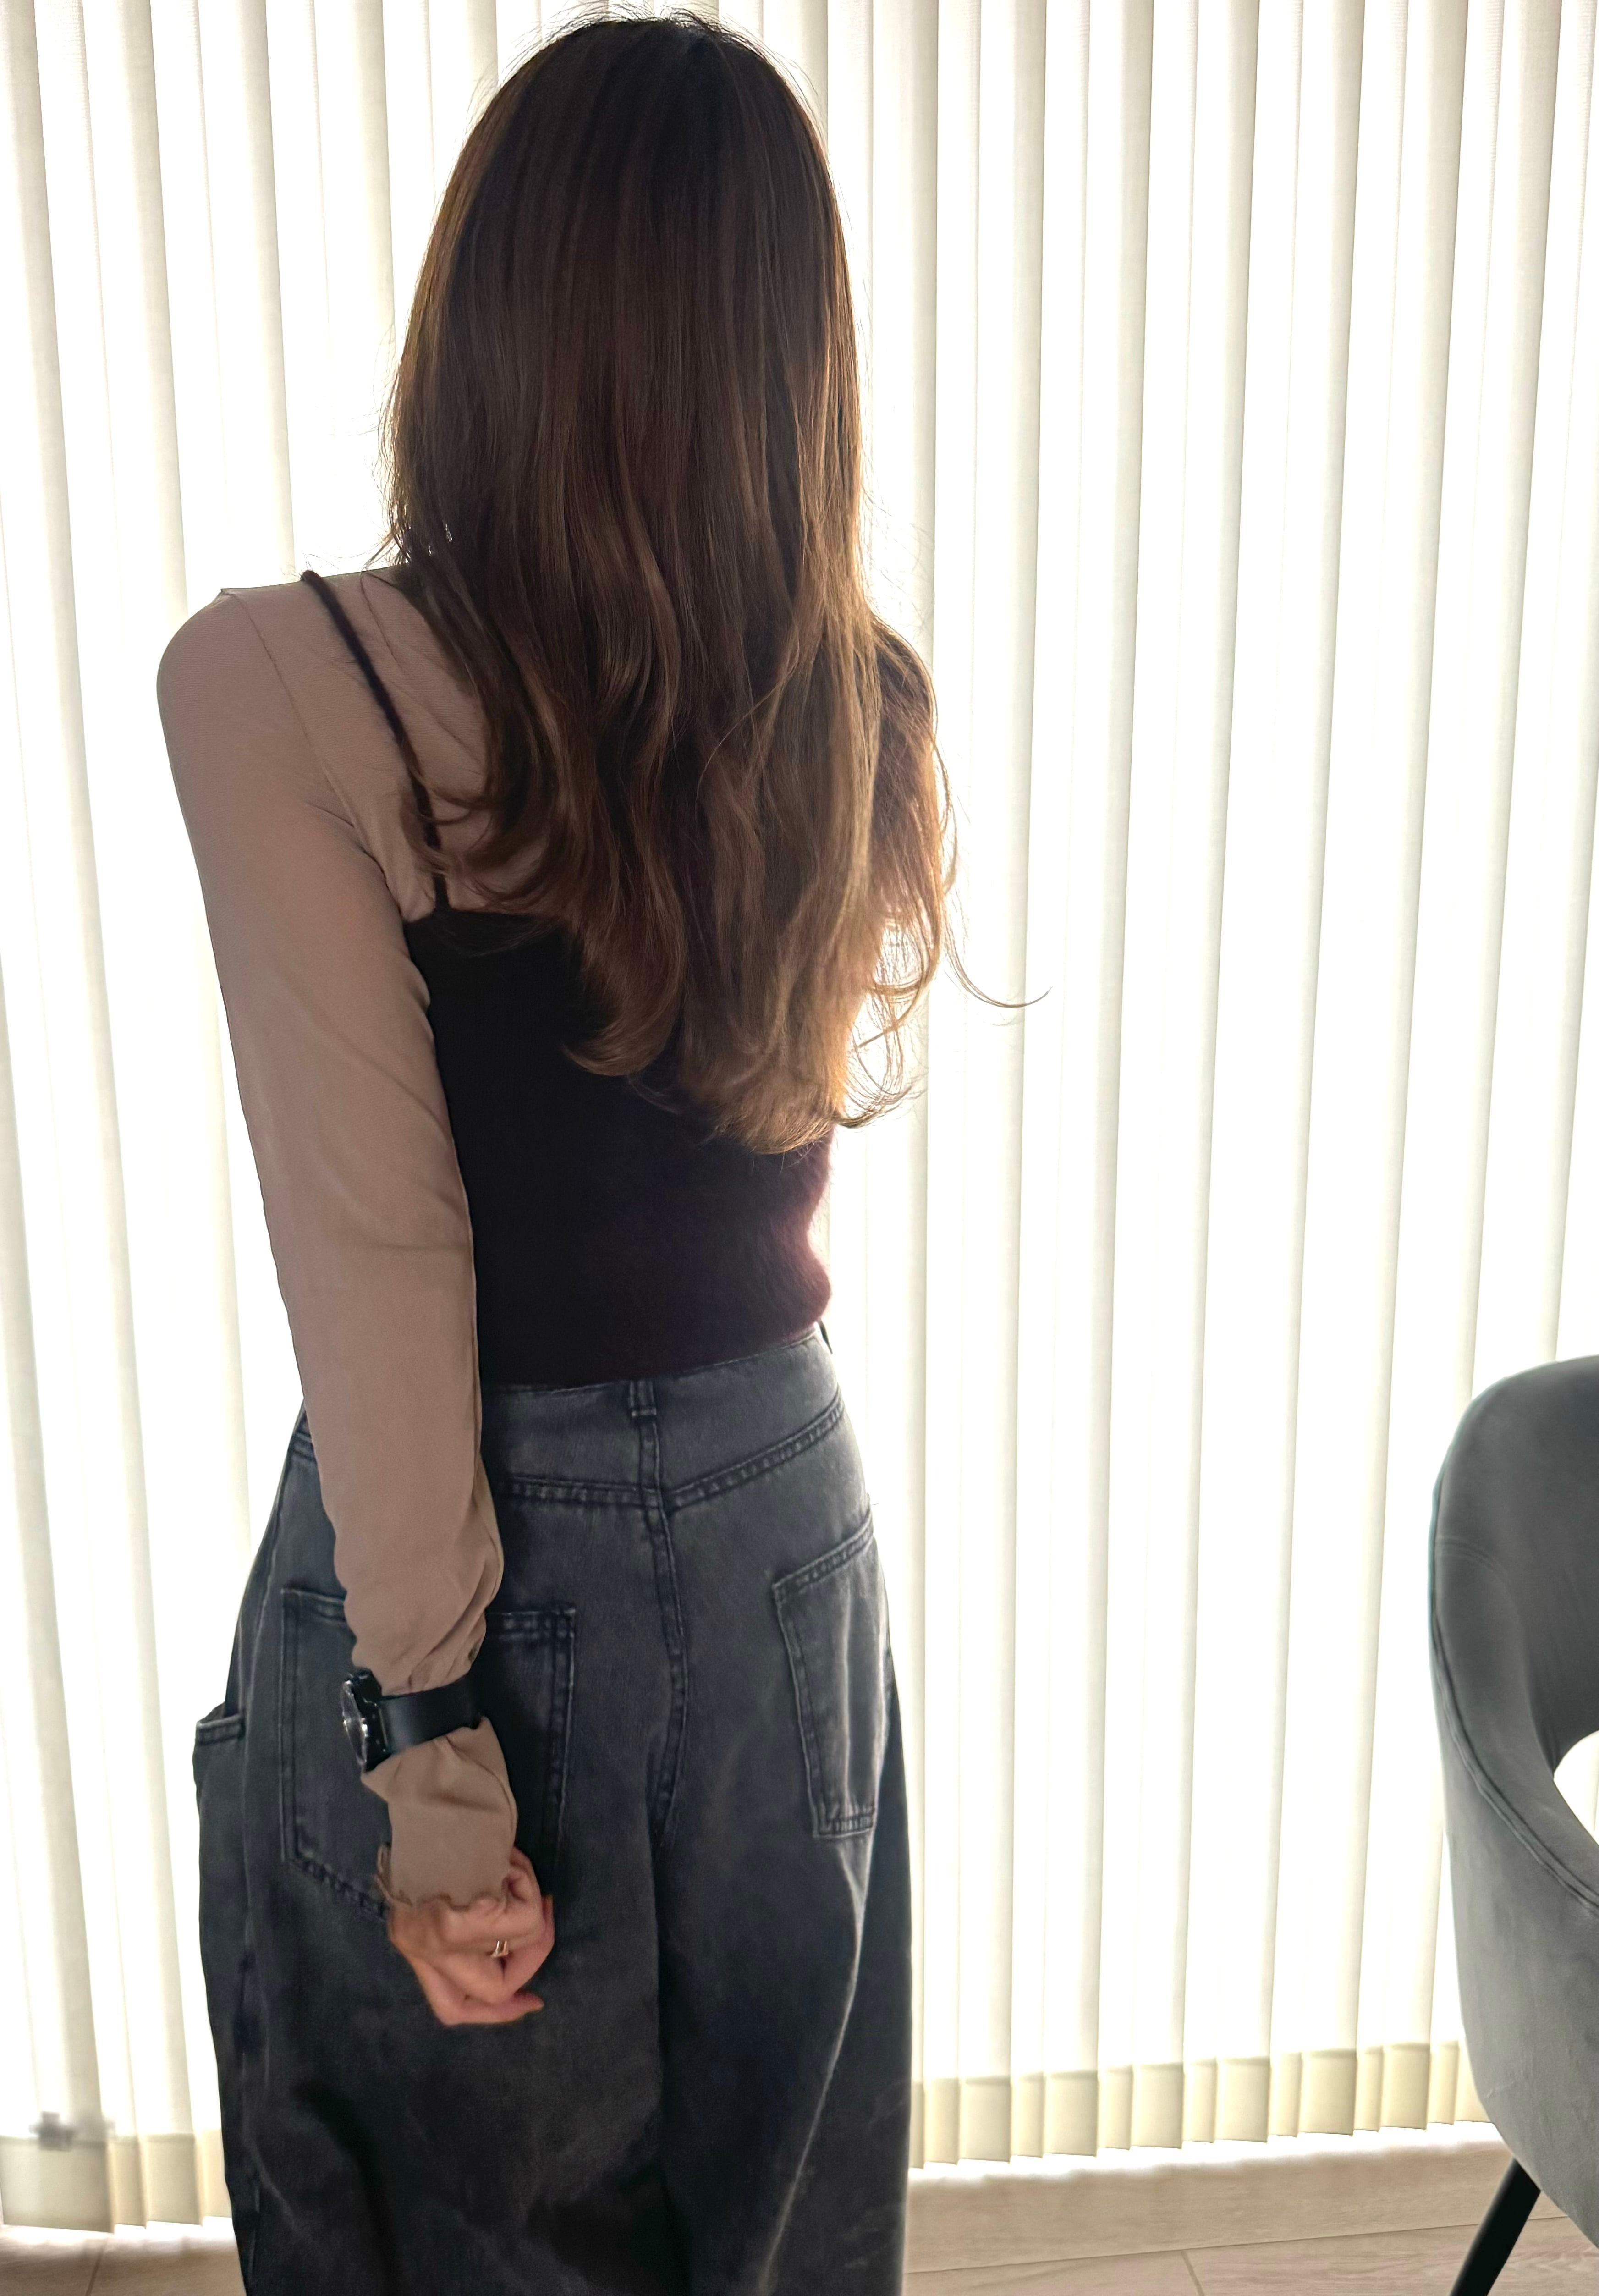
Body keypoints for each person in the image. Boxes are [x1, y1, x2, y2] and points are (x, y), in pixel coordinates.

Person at [157, 12, 954, 2293]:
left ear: (484, 320)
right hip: (791, 1528)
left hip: (485, 1559)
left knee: (454, 2244)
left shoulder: (280, 687)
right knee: (782, 2230)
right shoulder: (857, 708)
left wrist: (433, 1755)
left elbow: (383, 1251)